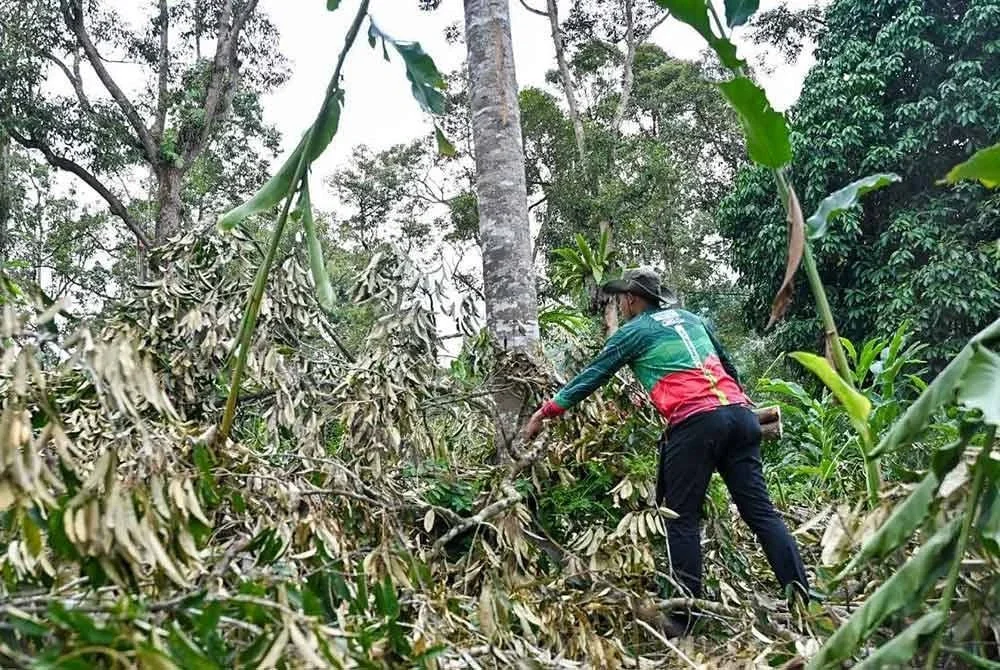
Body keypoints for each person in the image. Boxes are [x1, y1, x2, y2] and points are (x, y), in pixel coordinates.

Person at [521, 267, 809, 633]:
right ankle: (803, 602)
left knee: (680, 519)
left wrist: (546, 413)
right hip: (741, 416)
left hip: (696, 424)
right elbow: (728, 365)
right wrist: (740, 405)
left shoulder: (634, 332)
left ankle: (682, 619)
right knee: (763, 515)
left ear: (631, 300)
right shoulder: (692, 319)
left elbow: (593, 374)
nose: (622, 303)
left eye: (623, 297)